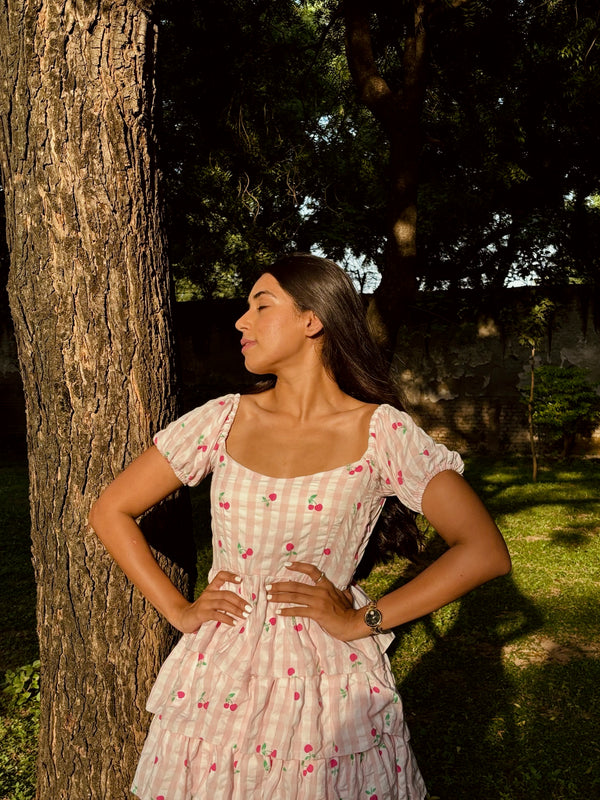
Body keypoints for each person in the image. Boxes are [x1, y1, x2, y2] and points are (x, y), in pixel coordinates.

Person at [90, 252, 511, 799]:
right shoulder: (222, 419)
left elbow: (482, 550)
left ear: (313, 320)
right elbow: (110, 510)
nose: (241, 322)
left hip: (324, 681)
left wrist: (366, 619)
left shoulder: (382, 433)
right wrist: (179, 610)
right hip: (219, 677)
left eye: (260, 306)